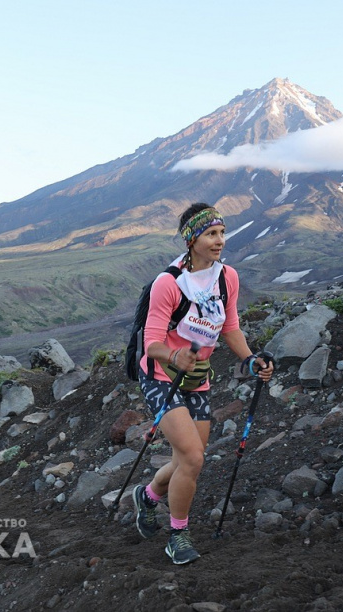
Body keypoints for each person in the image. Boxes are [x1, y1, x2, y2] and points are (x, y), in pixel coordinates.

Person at [132, 203, 273, 564]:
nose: (220, 241)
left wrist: (249, 359)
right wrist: (173, 356)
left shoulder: (228, 278)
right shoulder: (169, 283)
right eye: (211, 234)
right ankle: (177, 536)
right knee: (193, 457)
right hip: (161, 376)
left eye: (222, 233)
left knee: (189, 460)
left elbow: (230, 326)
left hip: (197, 379)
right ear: (192, 239)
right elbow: (151, 342)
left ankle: (148, 496)